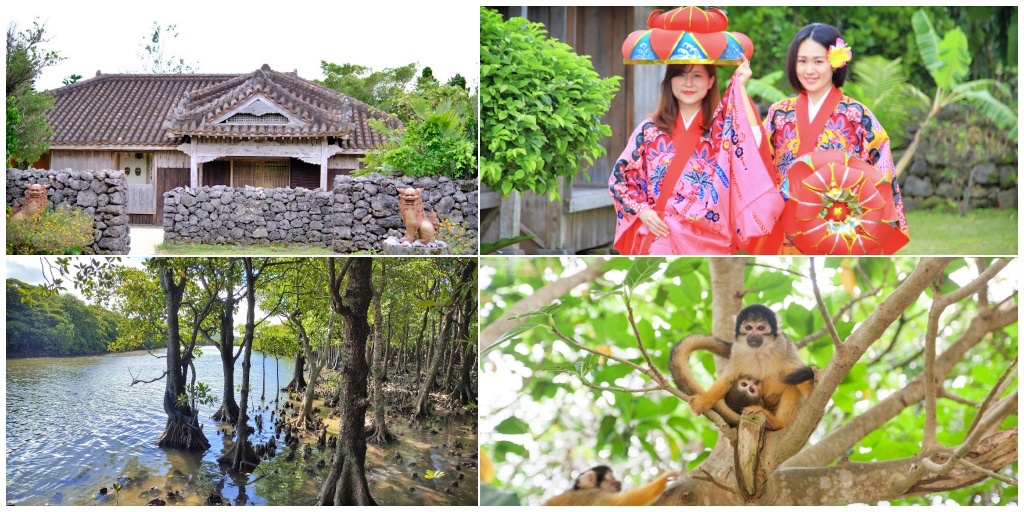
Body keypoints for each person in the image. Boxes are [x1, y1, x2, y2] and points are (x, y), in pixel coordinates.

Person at [762, 23, 909, 254]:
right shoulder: (778, 113)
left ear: (835, 62)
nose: (809, 70)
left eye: (818, 61)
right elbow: (758, 165)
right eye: (802, 61)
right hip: (785, 228)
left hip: (840, 227)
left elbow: (882, 171)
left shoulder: (857, 115)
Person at [609, 60, 780, 255]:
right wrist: (643, 211)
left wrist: (739, 86)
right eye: (681, 74)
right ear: (669, 81)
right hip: (661, 234)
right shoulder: (649, 130)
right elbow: (619, 180)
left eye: (697, 76)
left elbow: (752, 145)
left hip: (711, 236)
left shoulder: (722, 130)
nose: (688, 83)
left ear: (710, 81)